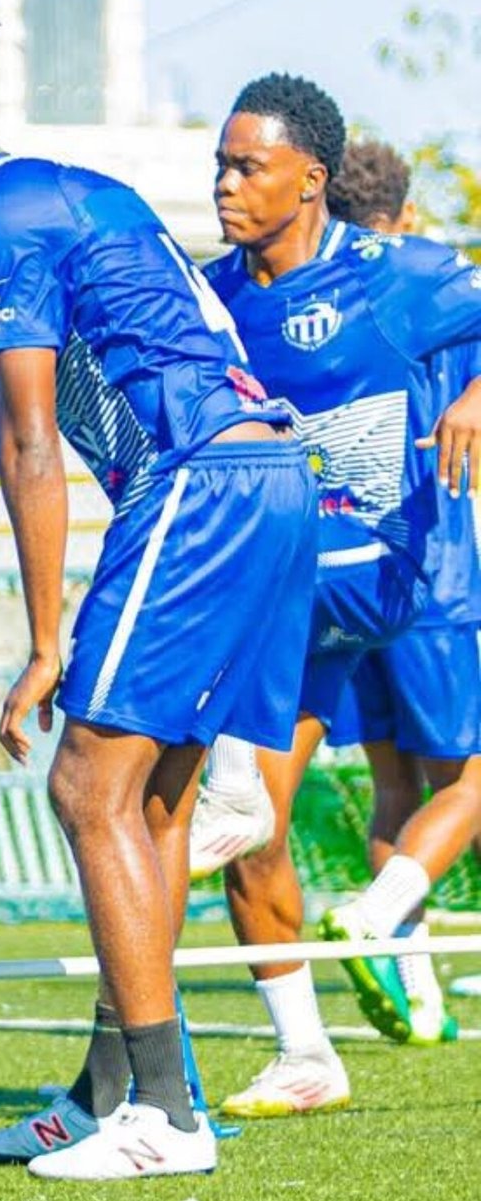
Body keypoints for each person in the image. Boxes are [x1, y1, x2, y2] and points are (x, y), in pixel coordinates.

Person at [0, 0, 315, 1179]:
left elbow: (28, 441)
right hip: (268, 483)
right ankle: (108, 1090)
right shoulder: (76, 190)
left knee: (84, 791)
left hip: (202, 481)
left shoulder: (2, 218)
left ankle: (166, 1113)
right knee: (147, 796)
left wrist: (44, 637)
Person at [196, 84, 481, 1118]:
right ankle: (305, 1052)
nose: (223, 185)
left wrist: (474, 396)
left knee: (453, 779)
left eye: (246, 168)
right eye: (218, 165)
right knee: (250, 830)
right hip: (288, 601)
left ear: (310, 181)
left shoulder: (393, 277)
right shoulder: (210, 295)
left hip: (404, 583)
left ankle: (389, 917)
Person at [311, 139, 472, 1045]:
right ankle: (379, 919)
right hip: (433, 574)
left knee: (393, 790)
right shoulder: (423, 278)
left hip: (341, 578)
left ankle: (417, 992)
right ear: (405, 215)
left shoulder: (320, 290)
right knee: (471, 783)